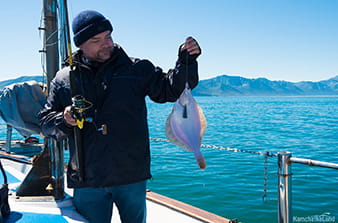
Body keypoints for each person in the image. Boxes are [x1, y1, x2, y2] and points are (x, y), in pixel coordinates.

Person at [39, 10, 201, 223]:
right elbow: (45, 123)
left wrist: (186, 62)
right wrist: (64, 119)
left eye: (108, 36)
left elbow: (169, 90)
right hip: (88, 179)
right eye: (96, 40)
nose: (106, 43)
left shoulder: (137, 68)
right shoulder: (64, 78)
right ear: (81, 45)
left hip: (130, 176)